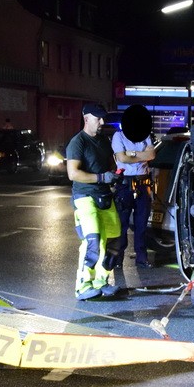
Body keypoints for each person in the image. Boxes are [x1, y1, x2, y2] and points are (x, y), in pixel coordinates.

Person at [65, 104, 123, 300]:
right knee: (93, 241)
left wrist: (115, 175)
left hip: (105, 196)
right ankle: (83, 286)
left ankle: (101, 281)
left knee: (115, 241)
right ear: (86, 118)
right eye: (98, 118)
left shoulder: (104, 140)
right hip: (85, 197)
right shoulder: (77, 142)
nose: (102, 122)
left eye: (103, 118)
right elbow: (73, 174)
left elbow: (111, 165)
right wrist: (101, 178)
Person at [111, 104, 158, 268]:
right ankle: (117, 259)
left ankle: (142, 258)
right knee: (122, 224)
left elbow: (151, 154)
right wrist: (141, 156)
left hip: (143, 183)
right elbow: (121, 159)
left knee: (142, 224)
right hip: (125, 184)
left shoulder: (145, 136)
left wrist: (131, 154)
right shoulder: (119, 136)